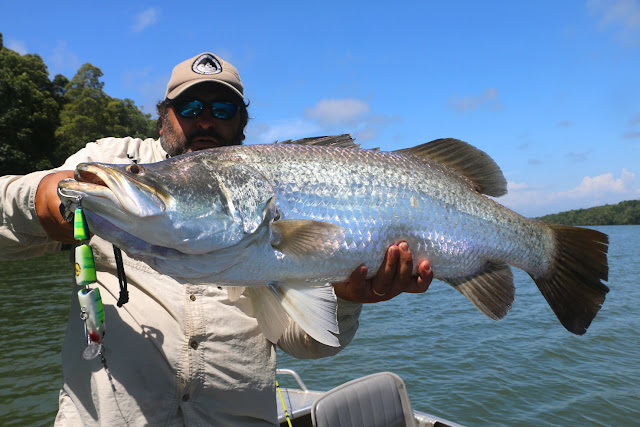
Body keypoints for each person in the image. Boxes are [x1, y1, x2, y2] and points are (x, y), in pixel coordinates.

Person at [0, 52, 433, 425]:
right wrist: (38, 200)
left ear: (242, 121)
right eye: (189, 107)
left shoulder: (257, 184)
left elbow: (306, 343)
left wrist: (346, 297)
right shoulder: (109, 163)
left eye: (223, 109)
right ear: (164, 115)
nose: (205, 120)